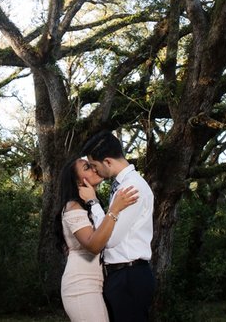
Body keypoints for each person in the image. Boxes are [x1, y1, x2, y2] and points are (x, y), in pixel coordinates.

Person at [82, 131, 155, 322]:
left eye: (95, 166)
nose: (95, 172)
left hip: (129, 277)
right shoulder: (123, 185)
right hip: (123, 276)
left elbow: (110, 239)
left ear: (107, 161)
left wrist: (93, 202)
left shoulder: (131, 188)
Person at [56, 157, 139, 322]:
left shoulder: (89, 205)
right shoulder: (73, 206)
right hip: (81, 285)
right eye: (87, 167)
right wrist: (114, 209)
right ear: (77, 180)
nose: (94, 168)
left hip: (99, 284)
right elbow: (94, 246)